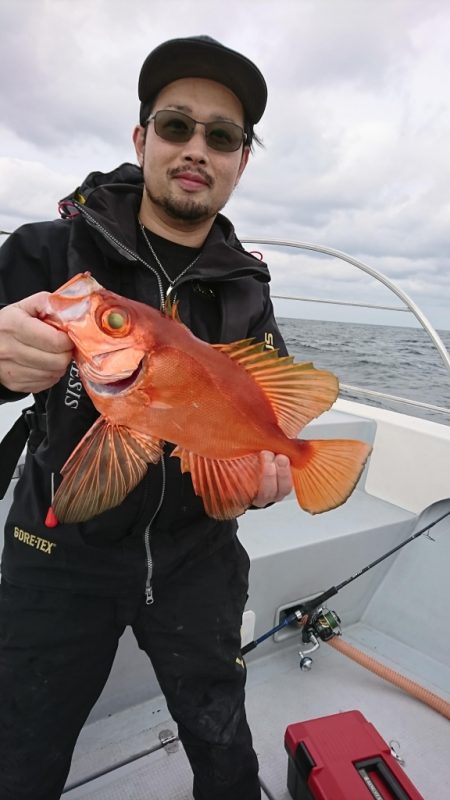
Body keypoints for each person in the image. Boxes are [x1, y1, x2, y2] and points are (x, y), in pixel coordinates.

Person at [0, 36, 292, 800]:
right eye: (175, 125)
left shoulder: (248, 290)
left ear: (240, 162)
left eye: (222, 136)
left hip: (201, 560)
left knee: (227, 755)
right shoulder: (48, 251)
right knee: (19, 756)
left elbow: (264, 408)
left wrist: (267, 477)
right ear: (141, 138)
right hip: (59, 552)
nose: (197, 148)